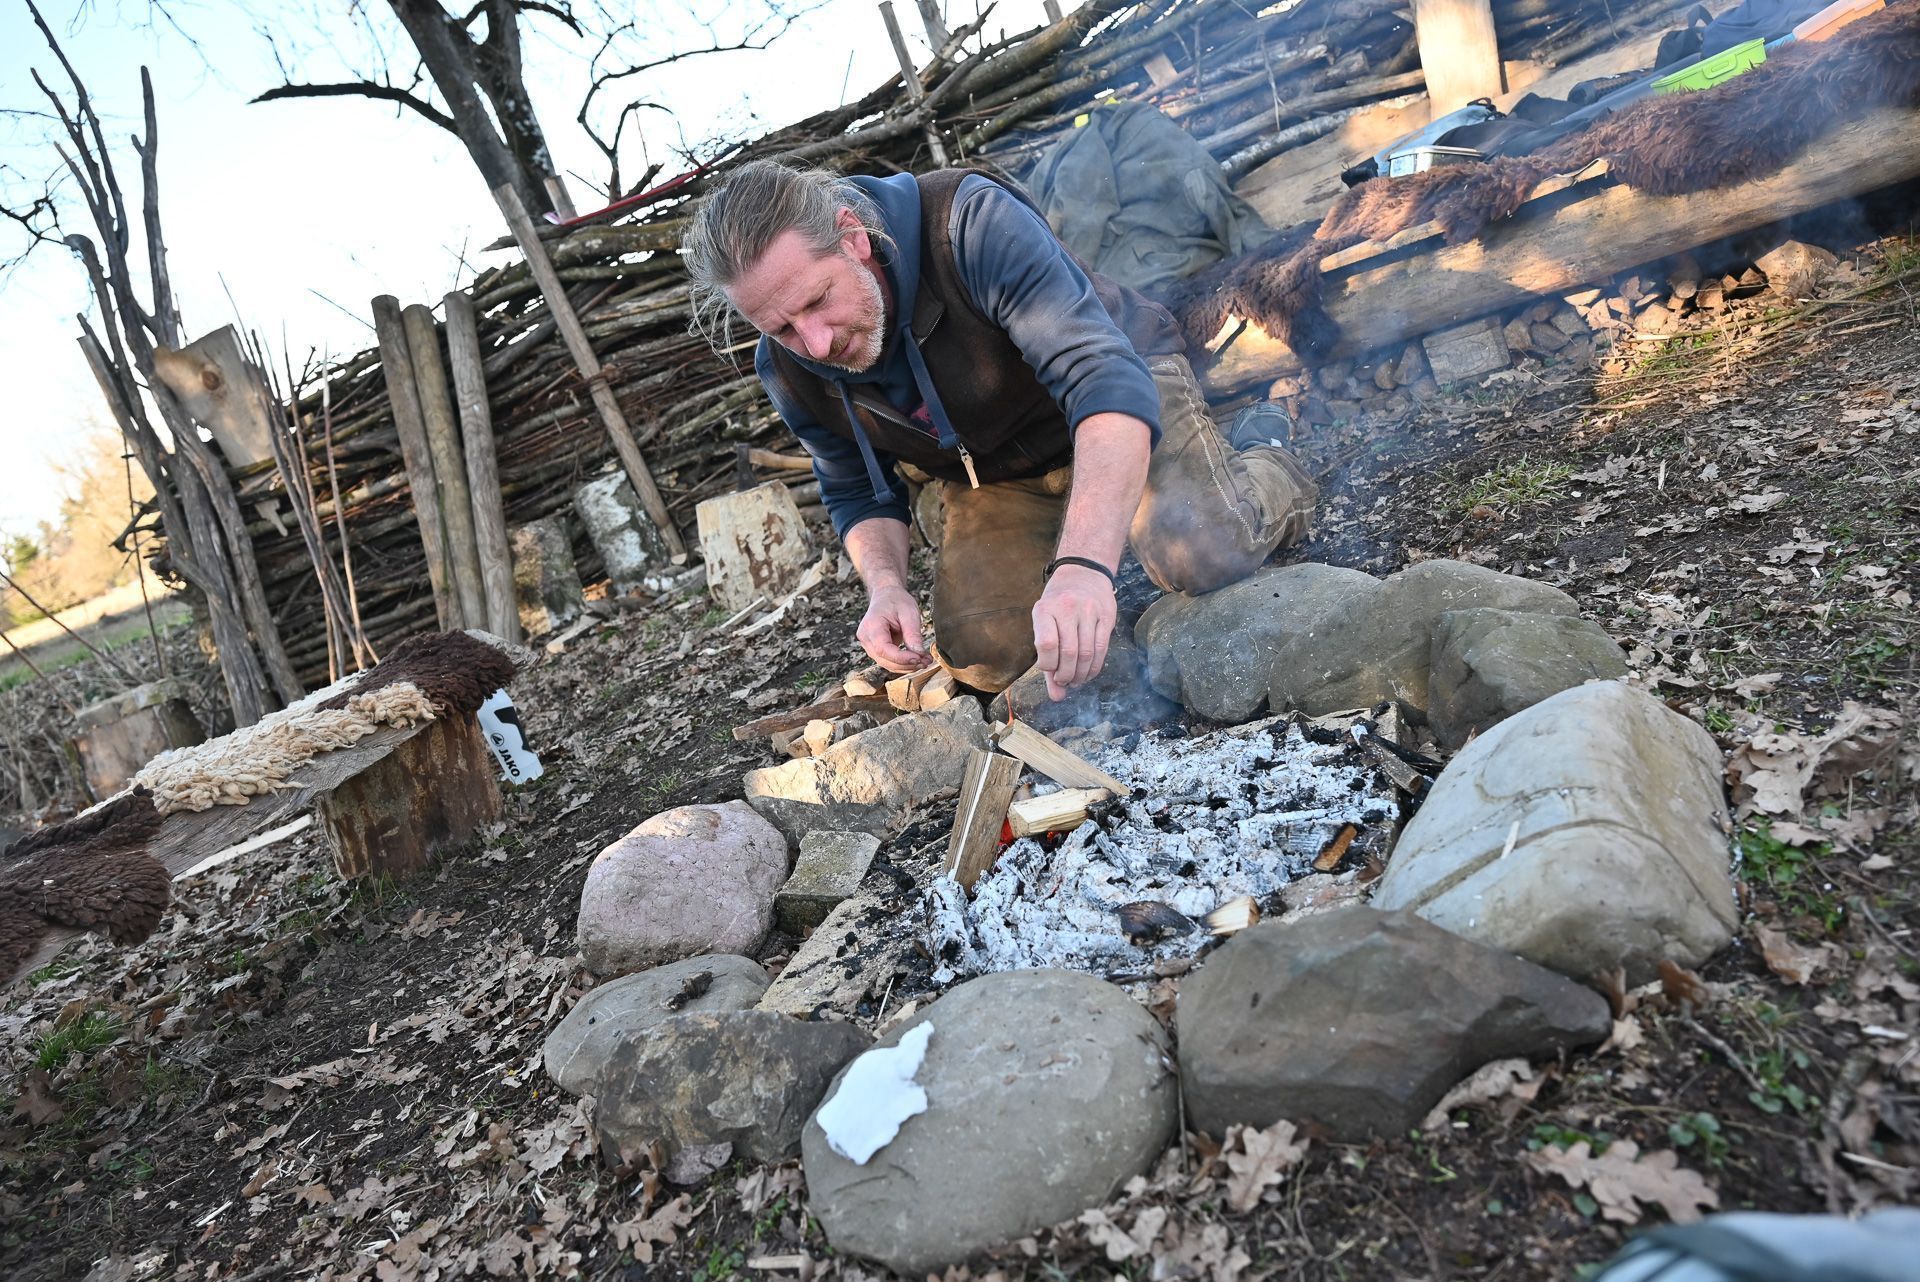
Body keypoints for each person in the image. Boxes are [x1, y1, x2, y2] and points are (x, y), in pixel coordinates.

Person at [681, 158, 1316, 699]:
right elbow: (856, 489)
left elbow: (1101, 379)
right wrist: (885, 588)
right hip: (996, 472)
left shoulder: (966, 226)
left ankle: (1266, 455)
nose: (814, 344)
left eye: (818, 302)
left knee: (1200, 549)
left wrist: (1083, 568)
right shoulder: (790, 370)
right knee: (987, 653)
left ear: (853, 238)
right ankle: (1097, 528)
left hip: (1122, 397)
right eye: (783, 328)